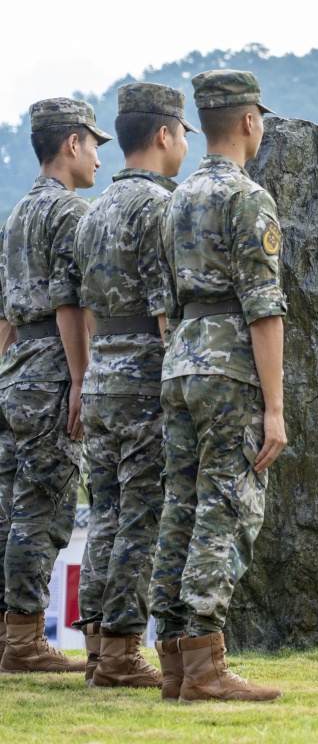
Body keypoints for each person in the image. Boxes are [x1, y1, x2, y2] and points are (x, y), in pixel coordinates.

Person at [148, 70, 287, 703]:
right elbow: (264, 309)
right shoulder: (249, 198)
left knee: (179, 506)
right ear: (251, 121)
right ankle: (206, 664)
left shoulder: (174, 197)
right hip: (228, 365)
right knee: (224, 507)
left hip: (180, 361)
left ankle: (174, 659)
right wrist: (276, 409)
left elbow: (164, 302)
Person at [71, 83, 196, 688]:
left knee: (106, 514)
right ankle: (121, 654)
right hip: (146, 372)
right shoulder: (161, 207)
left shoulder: (92, 212)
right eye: (182, 136)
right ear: (165, 134)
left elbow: (85, 305)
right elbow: (168, 305)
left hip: (100, 375)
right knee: (142, 518)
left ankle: (97, 645)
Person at [0, 98, 109, 673]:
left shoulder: (17, 215)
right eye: (93, 144)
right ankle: (23, 641)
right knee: (41, 510)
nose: (96, 157)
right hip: (51, 367)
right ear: (72, 144)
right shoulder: (70, 215)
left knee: (8, 509)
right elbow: (71, 300)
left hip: (16, 371)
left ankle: (6, 634)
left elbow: (4, 311)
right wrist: (81, 379)